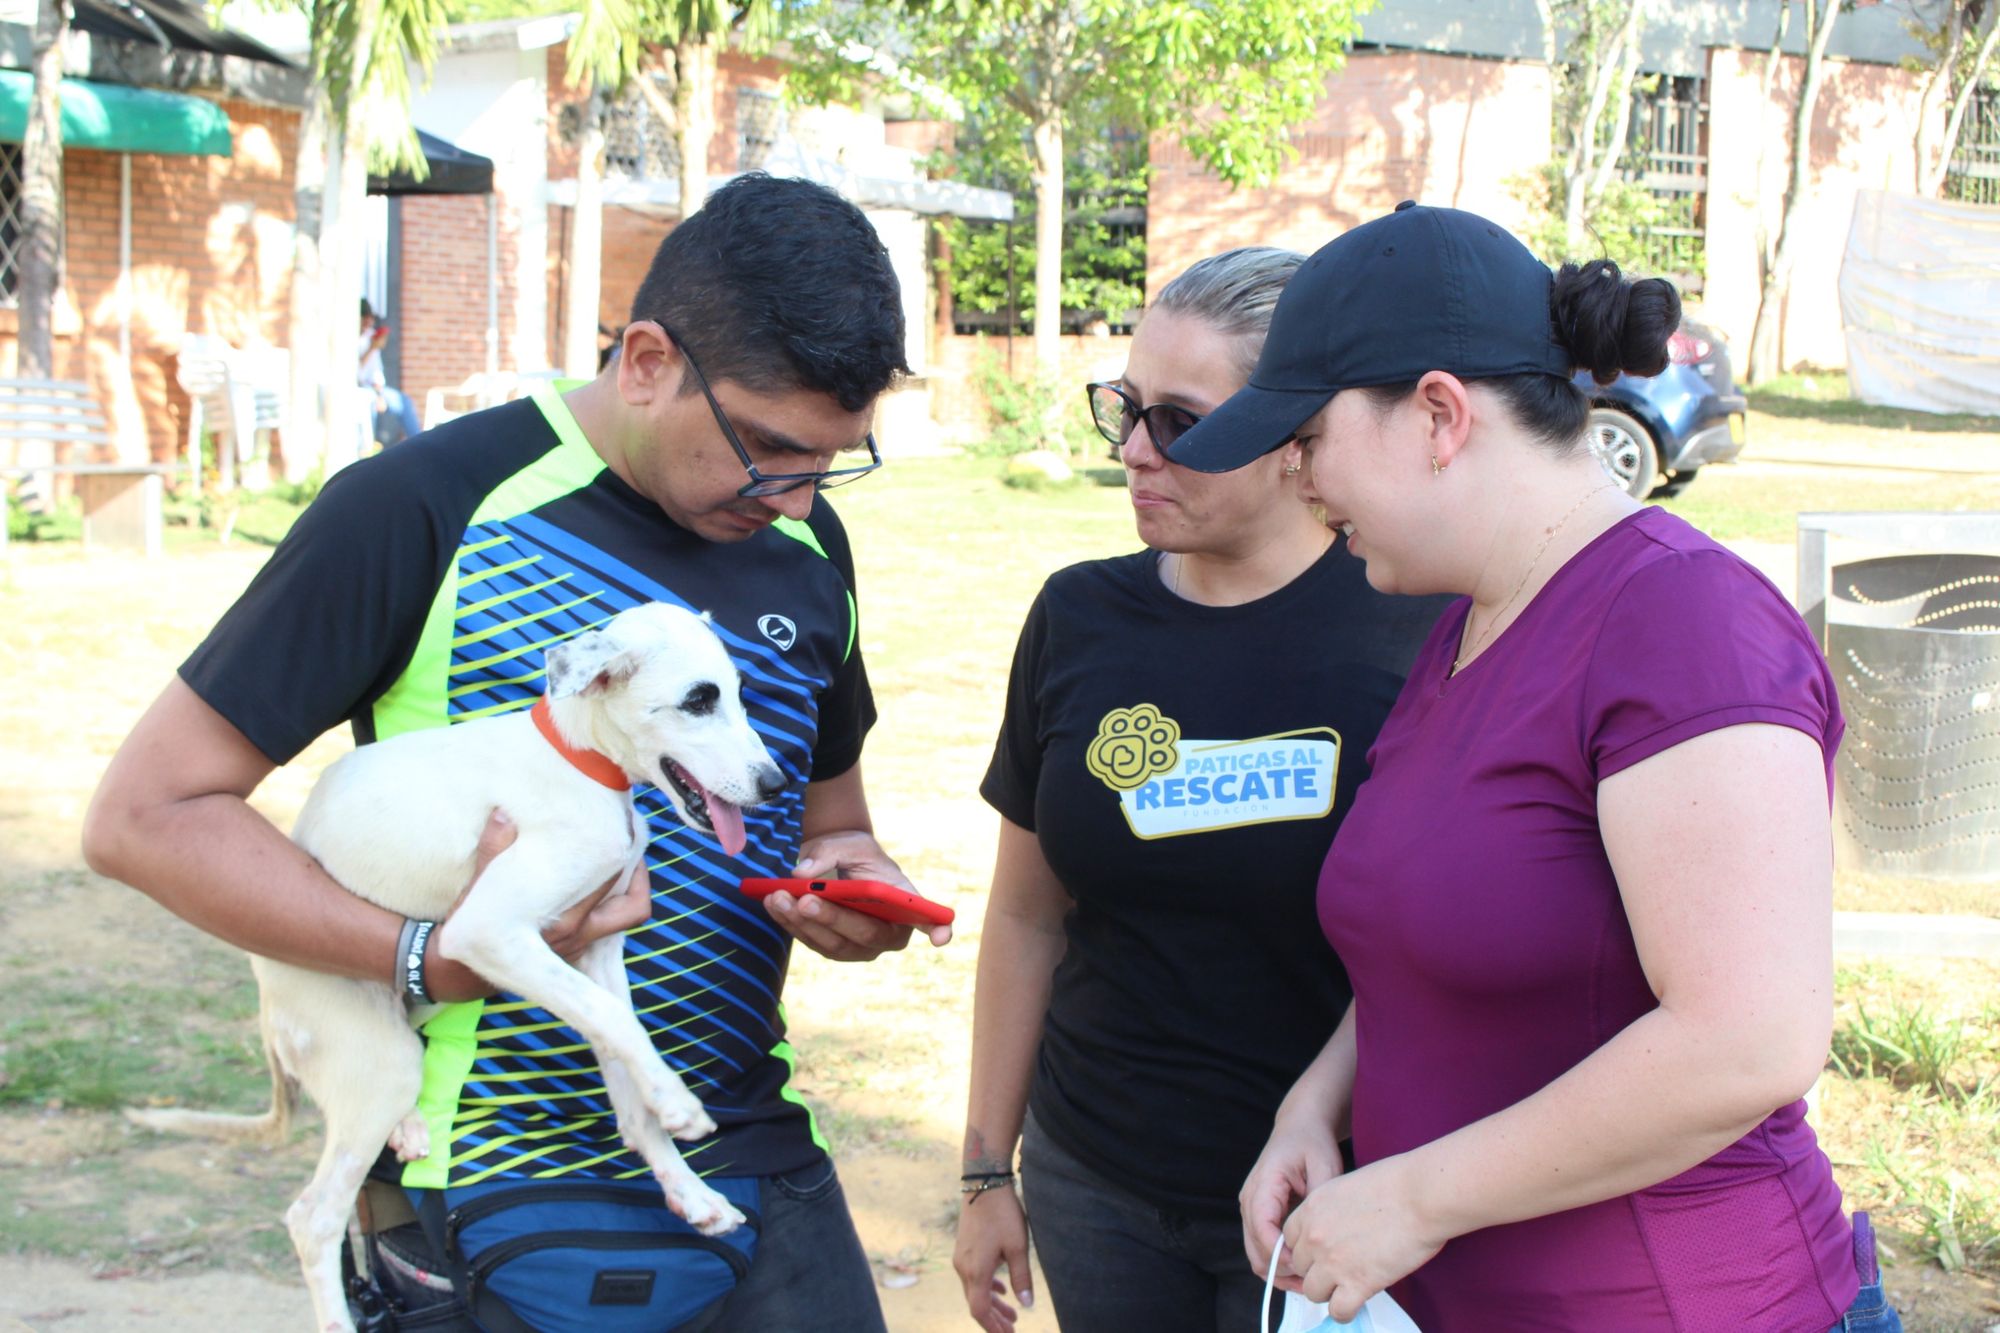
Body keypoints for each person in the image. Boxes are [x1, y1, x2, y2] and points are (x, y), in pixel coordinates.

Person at [83, 173, 948, 1333]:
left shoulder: (804, 545)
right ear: (645, 359)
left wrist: (855, 883)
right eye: (769, 452)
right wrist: (419, 956)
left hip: (742, 1145)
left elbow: (830, 813)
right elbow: (146, 814)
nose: (795, 501)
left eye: (832, 463)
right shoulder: (422, 505)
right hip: (485, 1175)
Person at [1168, 203, 1899, 1332]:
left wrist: (1414, 1196)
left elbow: (1747, 1035)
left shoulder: (1684, 624)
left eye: (1308, 438)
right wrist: (1315, 1104)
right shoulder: (1467, 622)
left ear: (1438, 414)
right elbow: (1446, 939)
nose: (1299, 477)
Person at [953, 248, 1451, 1333]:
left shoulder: (1417, 629)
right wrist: (987, 1173)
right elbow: (1027, 915)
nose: (1133, 451)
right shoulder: (1075, 616)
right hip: (1096, 1185)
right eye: (1123, 409)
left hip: (1327, 1203)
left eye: (1178, 422)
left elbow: (1445, 942)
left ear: (1292, 438)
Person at [360, 299, 422, 445]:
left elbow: (376, 372)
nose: (368, 326)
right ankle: (368, 447)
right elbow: (358, 374)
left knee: (403, 402)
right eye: (365, 321)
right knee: (369, 405)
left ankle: (418, 443)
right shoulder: (351, 341)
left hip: (373, 388)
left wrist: (379, 392)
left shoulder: (369, 337)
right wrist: (371, 349)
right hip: (359, 389)